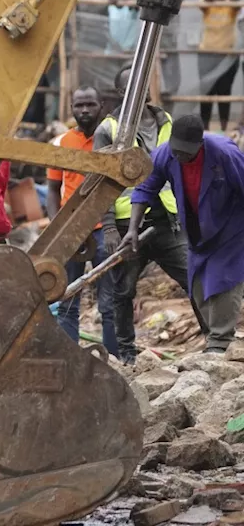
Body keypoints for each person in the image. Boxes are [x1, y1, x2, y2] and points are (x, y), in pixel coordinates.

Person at [123, 114, 244, 353]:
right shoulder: (164, 154)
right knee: (198, 283)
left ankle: (220, 342)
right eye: (177, 151)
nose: (181, 157)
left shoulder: (224, 153)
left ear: (200, 144)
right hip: (197, 228)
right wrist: (132, 229)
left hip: (231, 227)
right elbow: (145, 189)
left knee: (223, 281)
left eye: (187, 153)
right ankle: (213, 337)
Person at [93, 66, 189, 364]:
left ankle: (215, 343)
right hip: (125, 224)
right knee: (123, 291)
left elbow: (180, 169)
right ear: (122, 93)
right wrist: (108, 228)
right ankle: (127, 355)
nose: (142, 90)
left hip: (167, 220)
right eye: (133, 86)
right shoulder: (108, 130)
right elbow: (100, 182)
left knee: (194, 277)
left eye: (143, 85)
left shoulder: (166, 120)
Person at [48, 87, 117, 355]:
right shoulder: (62, 143)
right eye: (79, 105)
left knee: (109, 302)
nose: (84, 110)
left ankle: (114, 358)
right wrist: (58, 228)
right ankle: (70, 356)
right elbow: (53, 189)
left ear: (101, 106)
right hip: (71, 231)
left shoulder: (110, 140)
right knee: (66, 299)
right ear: (71, 107)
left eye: (90, 104)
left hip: (103, 230)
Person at [199, 0, 241, 131]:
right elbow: (206, 1)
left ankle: (223, 128)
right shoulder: (208, 4)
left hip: (227, 57)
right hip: (206, 56)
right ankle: (205, 128)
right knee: (206, 92)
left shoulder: (231, 8)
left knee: (224, 91)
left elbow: (237, 0)